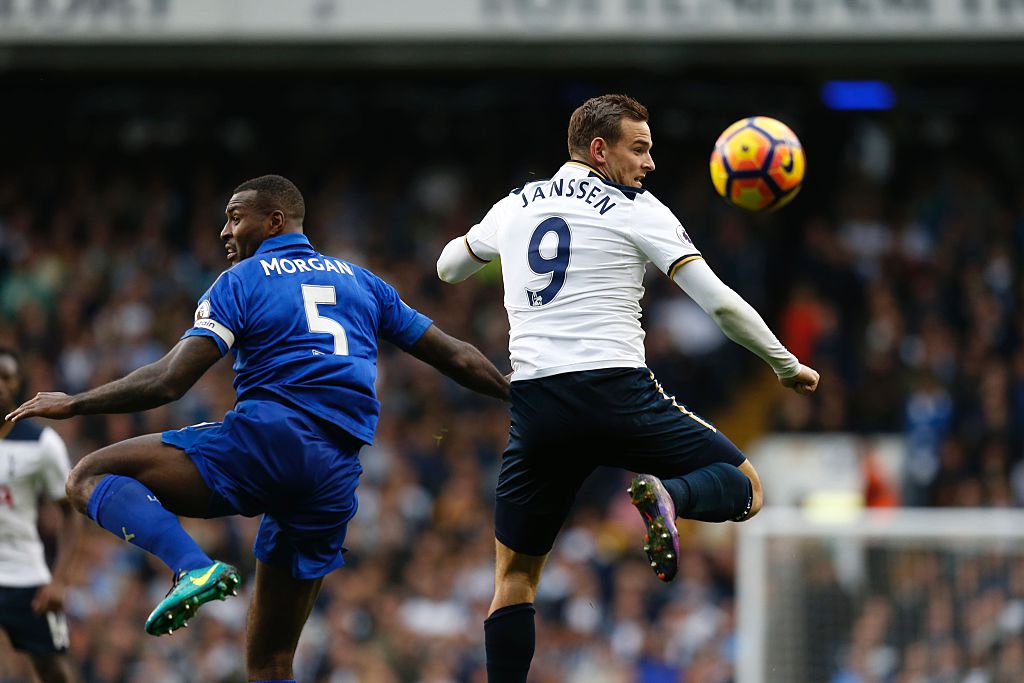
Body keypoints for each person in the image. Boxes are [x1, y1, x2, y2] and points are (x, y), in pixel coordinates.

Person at [6, 174, 510, 683]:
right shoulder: (362, 281)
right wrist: (517, 393)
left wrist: (75, 402)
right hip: (333, 477)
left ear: (274, 221)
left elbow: (169, 380)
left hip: (268, 441)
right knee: (271, 661)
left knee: (87, 476)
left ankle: (190, 565)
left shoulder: (242, 280)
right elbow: (456, 356)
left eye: (234, 217)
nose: (225, 231)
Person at [436, 94, 820, 682]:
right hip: (616, 392)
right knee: (747, 487)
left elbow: (447, 268)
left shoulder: (515, 204)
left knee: (513, 579)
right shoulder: (637, 209)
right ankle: (671, 498)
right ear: (599, 150)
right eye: (638, 149)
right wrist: (785, 364)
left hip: (536, 406)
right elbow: (719, 304)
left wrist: (491, 247)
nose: (649, 163)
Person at [0, 347, 81, 683]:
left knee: (53, 671)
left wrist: (59, 580)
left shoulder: (42, 443)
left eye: (6, 377)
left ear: (18, 383)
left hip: (26, 578)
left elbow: (70, 513)